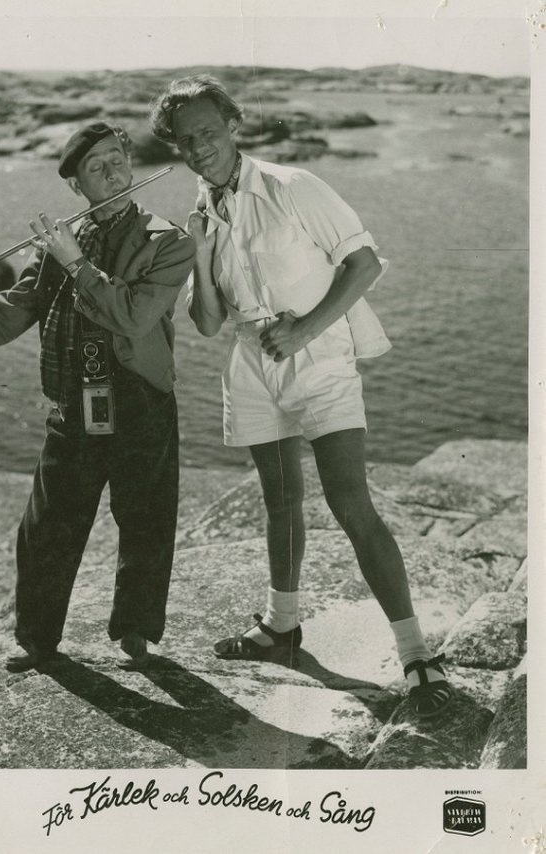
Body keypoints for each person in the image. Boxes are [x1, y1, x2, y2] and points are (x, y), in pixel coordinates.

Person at [150, 76, 453, 718]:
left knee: (350, 503)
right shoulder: (202, 213)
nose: (198, 148)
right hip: (253, 367)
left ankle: (416, 654)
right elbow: (206, 322)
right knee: (281, 502)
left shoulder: (293, 186)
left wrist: (305, 329)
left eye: (208, 132)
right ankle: (281, 627)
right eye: (184, 141)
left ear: (234, 126)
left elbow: (364, 263)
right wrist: (200, 253)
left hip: (319, 359)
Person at [0, 121, 195, 672]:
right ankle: (38, 642)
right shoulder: (59, 245)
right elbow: (10, 312)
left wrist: (74, 261)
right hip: (73, 407)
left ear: (131, 164)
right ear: (77, 187)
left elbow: (134, 317)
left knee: (144, 522)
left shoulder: (170, 241)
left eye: (117, 159)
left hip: (141, 405)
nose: (112, 172)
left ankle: (136, 635)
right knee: (45, 529)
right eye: (96, 168)